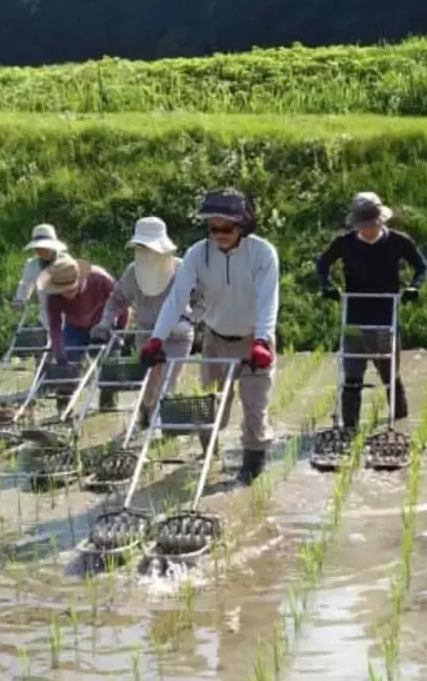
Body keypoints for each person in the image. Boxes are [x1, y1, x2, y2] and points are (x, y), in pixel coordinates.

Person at [140, 189, 279, 485]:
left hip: (254, 341)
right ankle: (209, 453)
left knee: (255, 410)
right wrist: (156, 340)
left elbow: (269, 299)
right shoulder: (197, 254)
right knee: (212, 408)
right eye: (213, 228)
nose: (219, 235)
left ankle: (250, 472)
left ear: (243, 224)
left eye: (226, 228)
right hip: (216, 341)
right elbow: (176, 299)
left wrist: (263, 340)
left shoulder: (262, 253)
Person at [316, 191, 427, 430]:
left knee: (389, 372)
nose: (367, 230)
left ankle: (399, 422)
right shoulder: (344, 243)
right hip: (355, 316)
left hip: (386, 315)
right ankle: (349, 427)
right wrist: (327, 286)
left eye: (371, 225)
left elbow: (421, 267)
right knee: (352, 373)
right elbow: (323, 264)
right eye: (363, 226)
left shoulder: (398, 241)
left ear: (380, 221)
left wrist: (413, 288)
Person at [91, 216, 204, 428]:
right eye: (141, 247)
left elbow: (203, 299)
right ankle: (146, 411)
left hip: (177, 335)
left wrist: (190, 320)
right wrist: (105, 322)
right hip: (146, 334)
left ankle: (158, 426)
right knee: (149, 382)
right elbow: (116, 299)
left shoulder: (181, 269)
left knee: (167, 382)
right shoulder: (132, 272)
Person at [37, 253, 130, 410]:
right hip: (74, 326)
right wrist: (60, 356)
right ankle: (64, 406)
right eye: (62, 290)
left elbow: (123, 306)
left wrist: (120, 332)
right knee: (68, 362)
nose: (66, 294)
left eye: (70, 288)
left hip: (102, 323)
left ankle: (108, 403)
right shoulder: (53, 295)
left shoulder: (101, 279)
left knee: (109, 364)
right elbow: (55, 326)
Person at [12, 223, 68, 328]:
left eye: (44, 247)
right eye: (38, 248)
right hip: (46, 319)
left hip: (69, 319)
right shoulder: (32, 265)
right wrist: (20, 299)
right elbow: (26, 284)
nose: (41, 251)